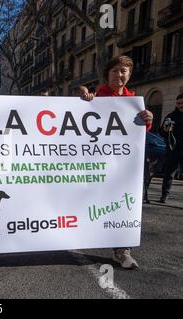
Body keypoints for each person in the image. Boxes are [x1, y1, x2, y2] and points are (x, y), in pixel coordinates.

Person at [81, 55, 153, 269]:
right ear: (108, 74)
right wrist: (83, 99)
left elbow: (137, 133)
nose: (119, 75)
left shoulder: (133, 102)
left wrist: (147, 120)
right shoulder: (97, 96)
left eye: (124, 71)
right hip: (94, 163)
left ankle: (123, 251)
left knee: (124, 203)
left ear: (129, 75)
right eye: (115, 70)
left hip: (122, 167)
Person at [159, 93, 183, 203]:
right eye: (178, 103)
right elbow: (161, 132)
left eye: (182, 103)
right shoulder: (171, 116)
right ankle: (164, 195)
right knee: (169, 174)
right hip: (173, 150)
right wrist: (165, 130)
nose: (180, 105)